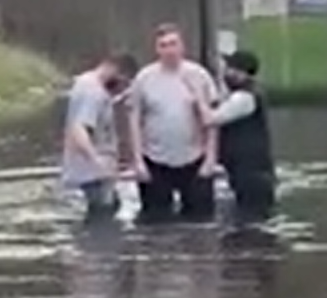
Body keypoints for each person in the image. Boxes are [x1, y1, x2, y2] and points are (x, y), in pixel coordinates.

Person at [128, 23, 218, 222]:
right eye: (163, 45)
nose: (169, 50)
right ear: (156, 49)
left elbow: (212, 120)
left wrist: (211, 158)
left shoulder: (199, 75)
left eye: (173, 44)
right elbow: (134, 119)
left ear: (182, 46)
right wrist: (138, 161)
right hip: (155, 159)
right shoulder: (144, 78)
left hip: (195, 158)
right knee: (155, 221)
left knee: (201, 221)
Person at [185, 50, 276, 223]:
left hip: (251, 175)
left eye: (229, 69)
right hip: (248, 172)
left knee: (250, 221)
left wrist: (198, 95)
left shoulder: (245, 98)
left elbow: (210, 119)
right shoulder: (243, 95)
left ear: (242, 73)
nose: (225, 73)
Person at [62, 52, 138, 220]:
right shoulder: (93, 92)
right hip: (95, 175)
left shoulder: (85, 83)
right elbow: (79, 130)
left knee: (109, 210)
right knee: (103, 221)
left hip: (91, 172)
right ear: (115, 71)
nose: (122, 87)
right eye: (124, 82)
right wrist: (98, 162)